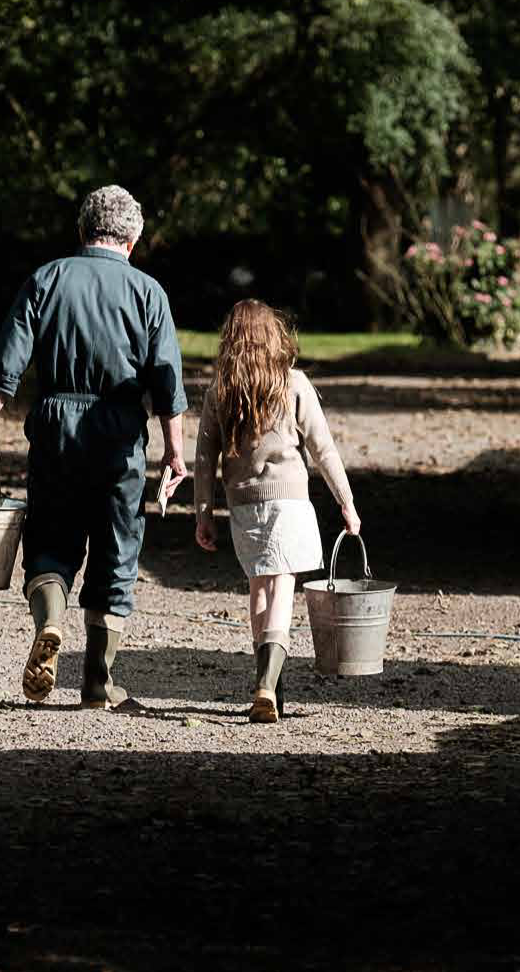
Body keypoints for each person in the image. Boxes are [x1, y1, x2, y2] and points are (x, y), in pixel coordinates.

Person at [0, 186, 188, 710]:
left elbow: (9, 361)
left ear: (82, 230)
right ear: (132, 240)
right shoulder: (148, 292)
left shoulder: (46, 280)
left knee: (50, 539)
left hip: (55, 426)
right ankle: (96, 682)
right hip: (118, 435)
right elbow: (167, 382)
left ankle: (49, 621)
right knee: (117, 553)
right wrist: (174, 452)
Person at [192, 300, 360, 723]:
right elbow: (323, 449)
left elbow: (203, 459)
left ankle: (269, 685)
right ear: (275, 337)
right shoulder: (294, 382)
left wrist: (203, 512)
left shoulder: (220, 391)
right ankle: (268, 684)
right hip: (289, 501)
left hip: (244, 504)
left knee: (259, 590)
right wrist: (346, 501)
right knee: (283, 587)